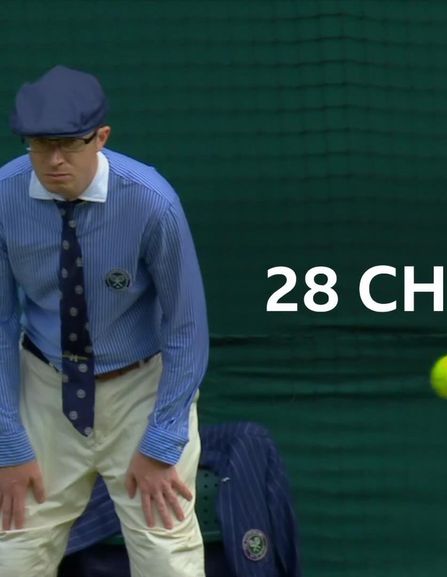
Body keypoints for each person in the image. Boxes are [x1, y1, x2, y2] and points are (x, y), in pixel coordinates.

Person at [0, 65, 209, 576]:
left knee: (165, 552)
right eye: (39, 144)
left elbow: (186, 329)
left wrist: (161, 441)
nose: (53, 160)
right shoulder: (3, 197)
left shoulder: (152, 202)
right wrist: (8, 443)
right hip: (43, 385)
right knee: (12, 548)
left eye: (69, 144)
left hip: (141, 388)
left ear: (101, 137)